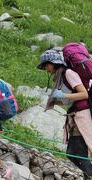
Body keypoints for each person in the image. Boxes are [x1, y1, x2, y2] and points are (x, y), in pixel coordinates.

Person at [37, 49, 92, 179]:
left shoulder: (68, 73)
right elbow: (71, 98)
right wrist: (57, 102)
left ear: (53, 63)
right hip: (74, 116)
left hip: (81, 116)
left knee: (76, 153)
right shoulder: (60, 76)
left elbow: (83, 94)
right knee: (75, 153)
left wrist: (63, 95)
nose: (46, 69)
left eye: (46, 65)